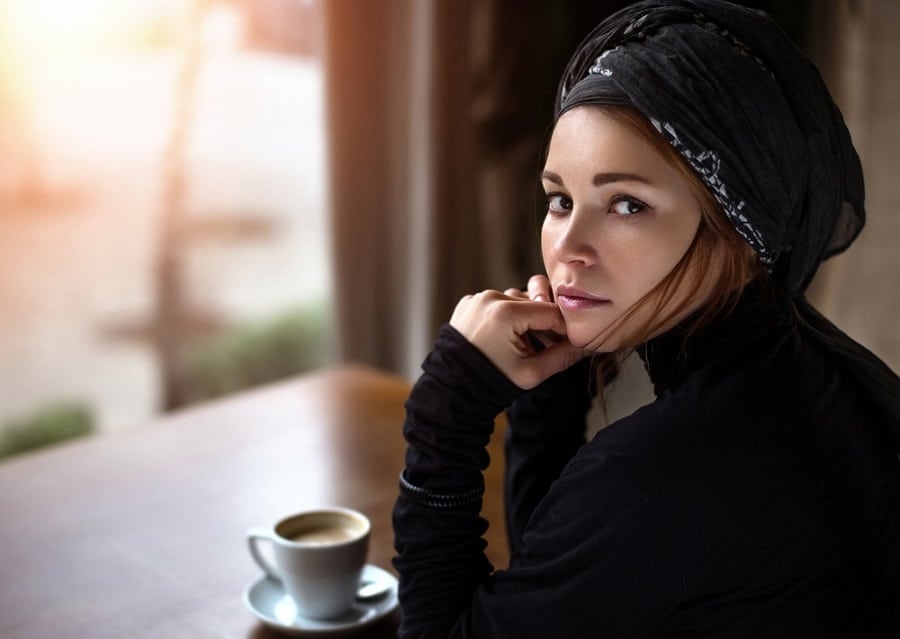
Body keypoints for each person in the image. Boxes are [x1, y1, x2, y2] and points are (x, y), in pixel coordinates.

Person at [392, 1, 900, 636]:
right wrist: (548, 392)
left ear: (735, 226)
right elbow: (564, 586)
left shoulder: (665, 473)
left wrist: (448, 411)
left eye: (627, 204)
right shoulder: (818, 371)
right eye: (559, 199)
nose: (568, 246)